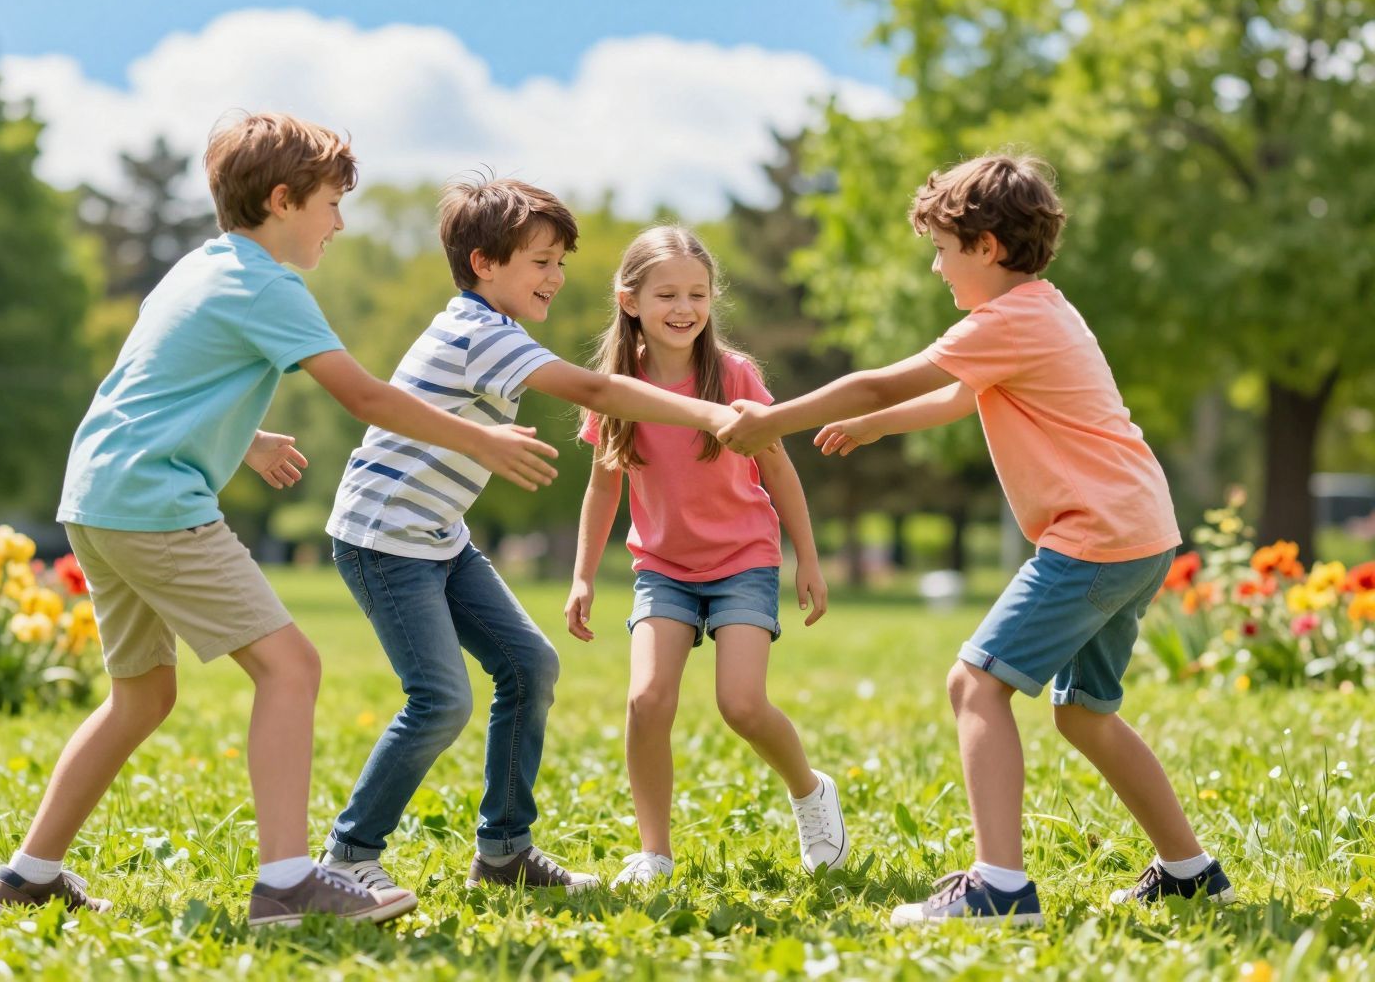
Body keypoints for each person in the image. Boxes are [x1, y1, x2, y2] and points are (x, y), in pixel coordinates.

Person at [0, 113, 557, 929]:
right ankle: (288, 882)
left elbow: (152, 382)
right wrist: (480, 439)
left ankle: (28, 874)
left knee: (140, 698)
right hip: (157, 504)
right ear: (283, 201)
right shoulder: (268, 284)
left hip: (100, 497)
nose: (340, 223)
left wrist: (243, 438)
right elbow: (364, 396)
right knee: (291, 668)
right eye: (329, 204)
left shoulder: (198, 269)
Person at [718, 153, 1234, 925]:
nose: (935, 267)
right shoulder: (1043, 310)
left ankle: (1000, 887)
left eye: (943, 249)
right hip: (1139, 530)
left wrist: (769, 420)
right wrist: (874, 426)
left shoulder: (1009, 320)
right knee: (1083, 712)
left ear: (987, 248)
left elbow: (888, 378)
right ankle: (1191, 871)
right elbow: (959, 394)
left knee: (974, 685)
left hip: (1091, 536)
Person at [318, 179, 738, 895]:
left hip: (437, 537)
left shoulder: (493, 331)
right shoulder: (478, 332)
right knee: (440, 700)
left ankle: (504, 853)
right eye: (541, 261)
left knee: (528, 666)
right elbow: (600, 393)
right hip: (384, 538)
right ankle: (348, 856)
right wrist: (706, 415)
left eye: (560, 262)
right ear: (484, 263)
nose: (556, 277)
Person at [566, 225, 847, 889]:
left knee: (742, 705)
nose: (684, 307)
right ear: (629, 299)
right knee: (646, 699)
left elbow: (778, 471)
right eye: (667, 294)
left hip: (743, 558)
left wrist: (806, 557)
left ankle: (810, 791)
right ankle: (654, 852)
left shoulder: (734, 374)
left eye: (697, 293)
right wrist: (581, 574)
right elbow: (604, 481)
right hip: (662, 567)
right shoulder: (617, 387)